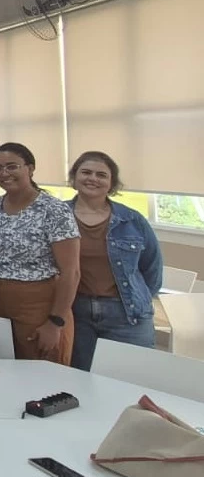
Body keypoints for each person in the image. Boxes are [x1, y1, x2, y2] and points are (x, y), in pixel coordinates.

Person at [0, 143, 80, 364]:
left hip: (37, 304)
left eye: (12, 166)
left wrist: (55, 322)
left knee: (38, 372)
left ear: (30, 169)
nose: (4, 173)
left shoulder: (54, 210)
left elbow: (71, 272)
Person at [68, 151, 162, 370]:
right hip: (75, 311)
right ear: (74, 178)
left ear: (111, 183)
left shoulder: (132, 220)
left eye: (101, 175)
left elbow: (152, 268)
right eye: (86, 172)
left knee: (133, 377)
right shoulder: (57, 215)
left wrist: (142, 299)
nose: (93, 178)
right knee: (80, 378)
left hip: (127, 314)